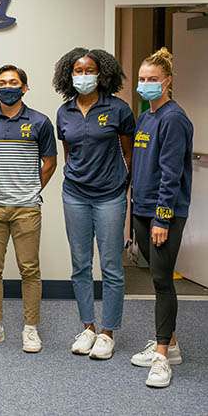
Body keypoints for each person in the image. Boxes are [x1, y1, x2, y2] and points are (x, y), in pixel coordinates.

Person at [53, 48, 134, 360]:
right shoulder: (65, 112)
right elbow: (69, 152)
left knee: (111, 266)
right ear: (68, 75)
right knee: (80, 265)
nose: (83, 76)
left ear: (102, 75)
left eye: (89, 70)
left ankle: (108, 332)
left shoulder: (118, 109)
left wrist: (121, 183)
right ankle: (88, 327)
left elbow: (128, 152)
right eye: (77, 70)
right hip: (74, 194)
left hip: (110, 195)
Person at [0, 64, 57, 353]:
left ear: (25, 87)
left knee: (30, 269)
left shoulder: (40, 122)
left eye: (14, 82)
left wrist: (29, 189)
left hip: (26, 209)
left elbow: (50, 163)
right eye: (3, 82)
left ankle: (30, 329)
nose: (8, 86)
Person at [129, 47, 192, 388]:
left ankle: (162, 356)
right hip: (141, 209)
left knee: (162, 281)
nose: (146, 84)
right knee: (157, 277)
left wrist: (162, 219)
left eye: (152, 80)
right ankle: (172, 343)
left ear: (167, 81)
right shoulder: (146, 115)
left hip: (162, 213)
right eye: (142, 79)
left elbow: (171, 175)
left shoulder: (174, 118)